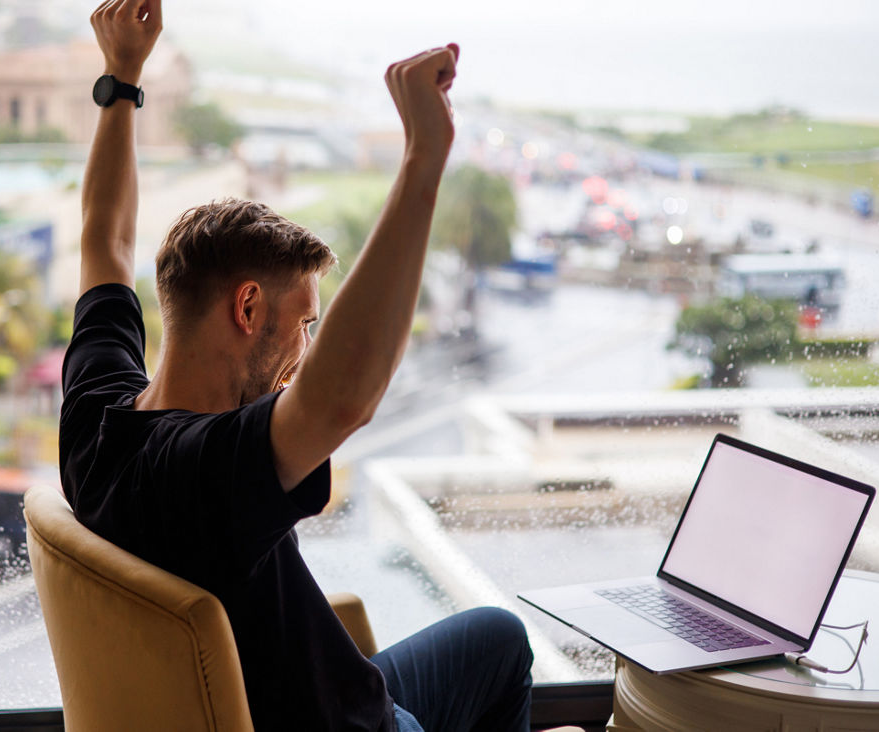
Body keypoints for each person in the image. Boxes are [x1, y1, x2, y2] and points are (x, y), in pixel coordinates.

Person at [60, 0, 534, 729]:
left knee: (498, 639)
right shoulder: (200, 471)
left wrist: (121, 78)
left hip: (330, 688)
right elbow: (341, 397)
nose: (305, 352)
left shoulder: (98, 416)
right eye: (305, 323)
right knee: (507, 644)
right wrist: (422, 158)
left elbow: (104, 240)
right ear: (247, 310)